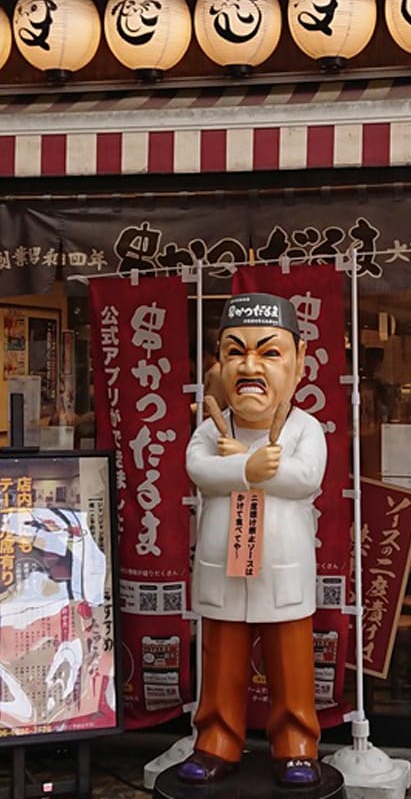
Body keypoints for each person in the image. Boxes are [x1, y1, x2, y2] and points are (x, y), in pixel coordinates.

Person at [179, 293, 327, 788]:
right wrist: (246, 465)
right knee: (221, 659)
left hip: (283, 567)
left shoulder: (306, 430)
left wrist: (252, 467)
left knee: (291, 660)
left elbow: (305, 478)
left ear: (299, 363)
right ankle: (217, 739)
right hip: (225, 567)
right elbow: (199, 470)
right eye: (235, 352)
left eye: (269, 353)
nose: (250, 367)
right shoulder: (208, 430)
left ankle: (296, 742)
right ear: (218, 364)